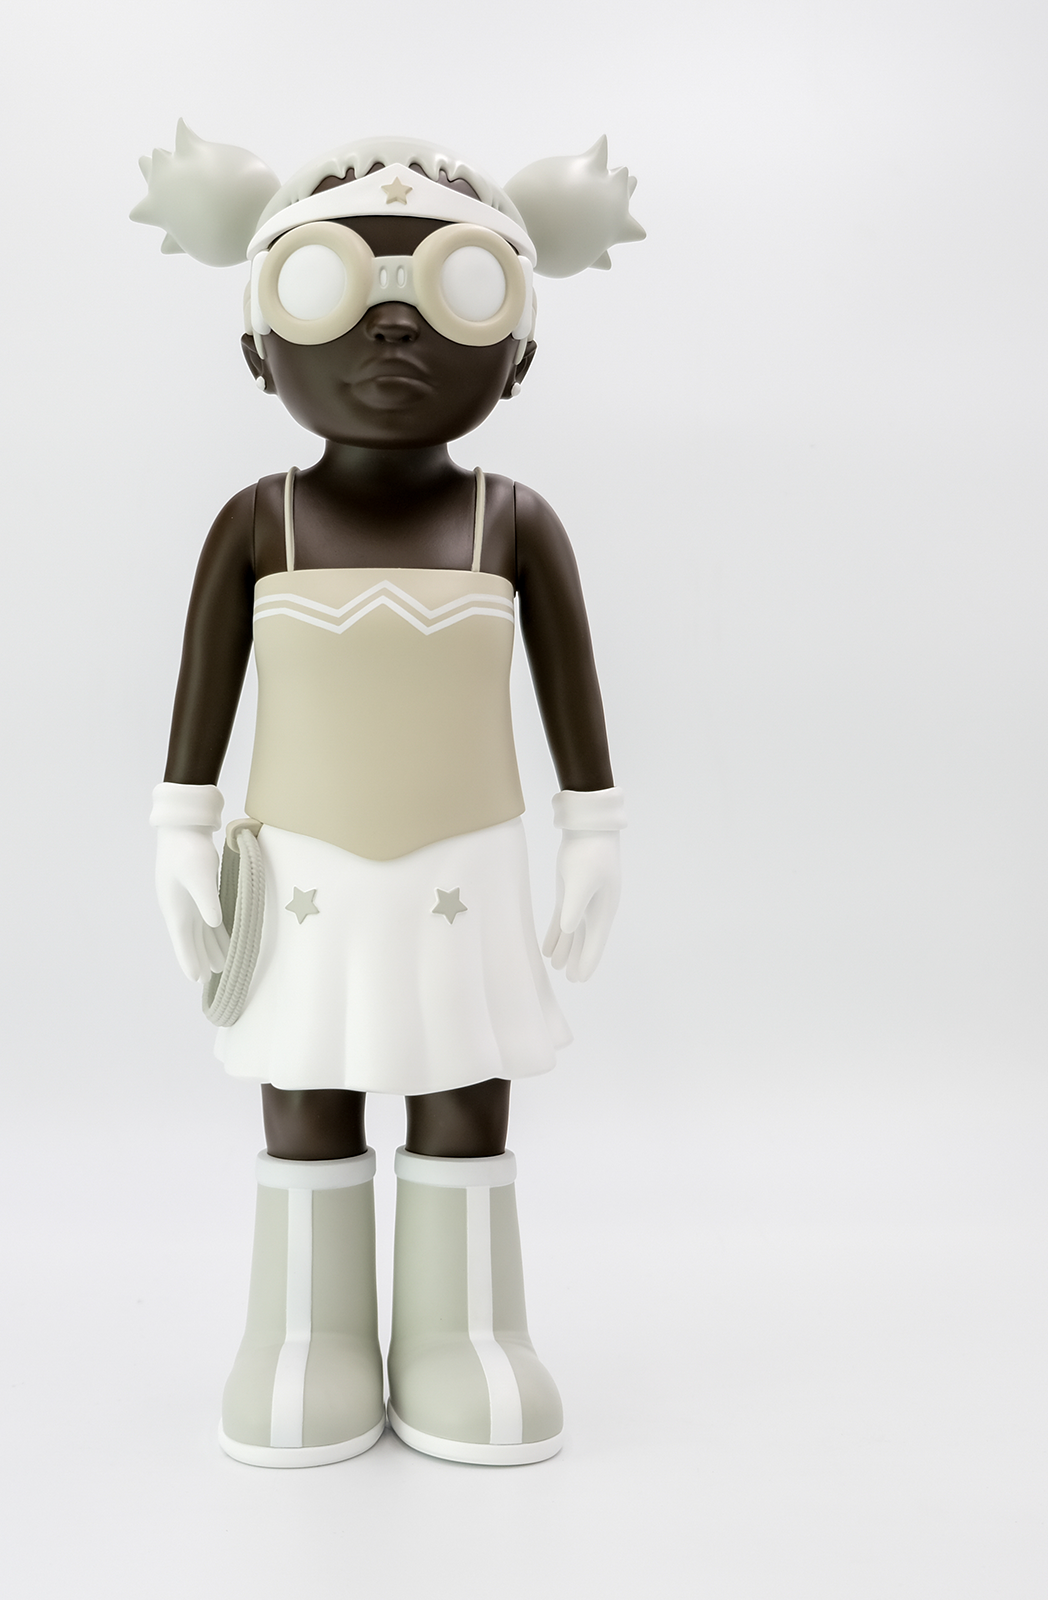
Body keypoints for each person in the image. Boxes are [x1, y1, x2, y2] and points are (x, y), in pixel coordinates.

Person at [134, 132, 641, 1467]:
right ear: (261, 346)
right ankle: (305, 1336)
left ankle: (464, 1335)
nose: (394, 327)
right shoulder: (260, 523)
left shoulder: (511, 523)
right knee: (304, 1085)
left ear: (516, 353)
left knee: (464, 1085)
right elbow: (202, 706)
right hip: (295, 871)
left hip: (467, 870)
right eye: (337, 287)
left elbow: (572, 701)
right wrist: (179, 830)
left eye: (452, 289)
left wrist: (595, 832)